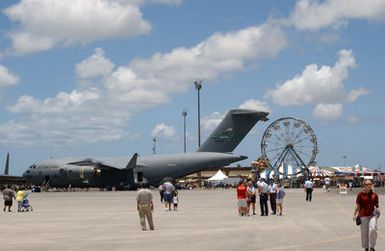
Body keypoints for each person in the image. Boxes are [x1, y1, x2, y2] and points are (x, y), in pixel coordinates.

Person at [353, 179, 380, 251]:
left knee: (373, 229)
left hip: (372, 215)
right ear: (364, 186)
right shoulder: (360, 194)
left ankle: (372, 246)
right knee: (364, 232)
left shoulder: (374, 195)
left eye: (370, 184)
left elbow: (377, 204)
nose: (369, 185)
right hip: (363, 216)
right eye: (368, 184)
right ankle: (366, 247)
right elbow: (358, 205)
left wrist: (378, 209)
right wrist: (354, 214)